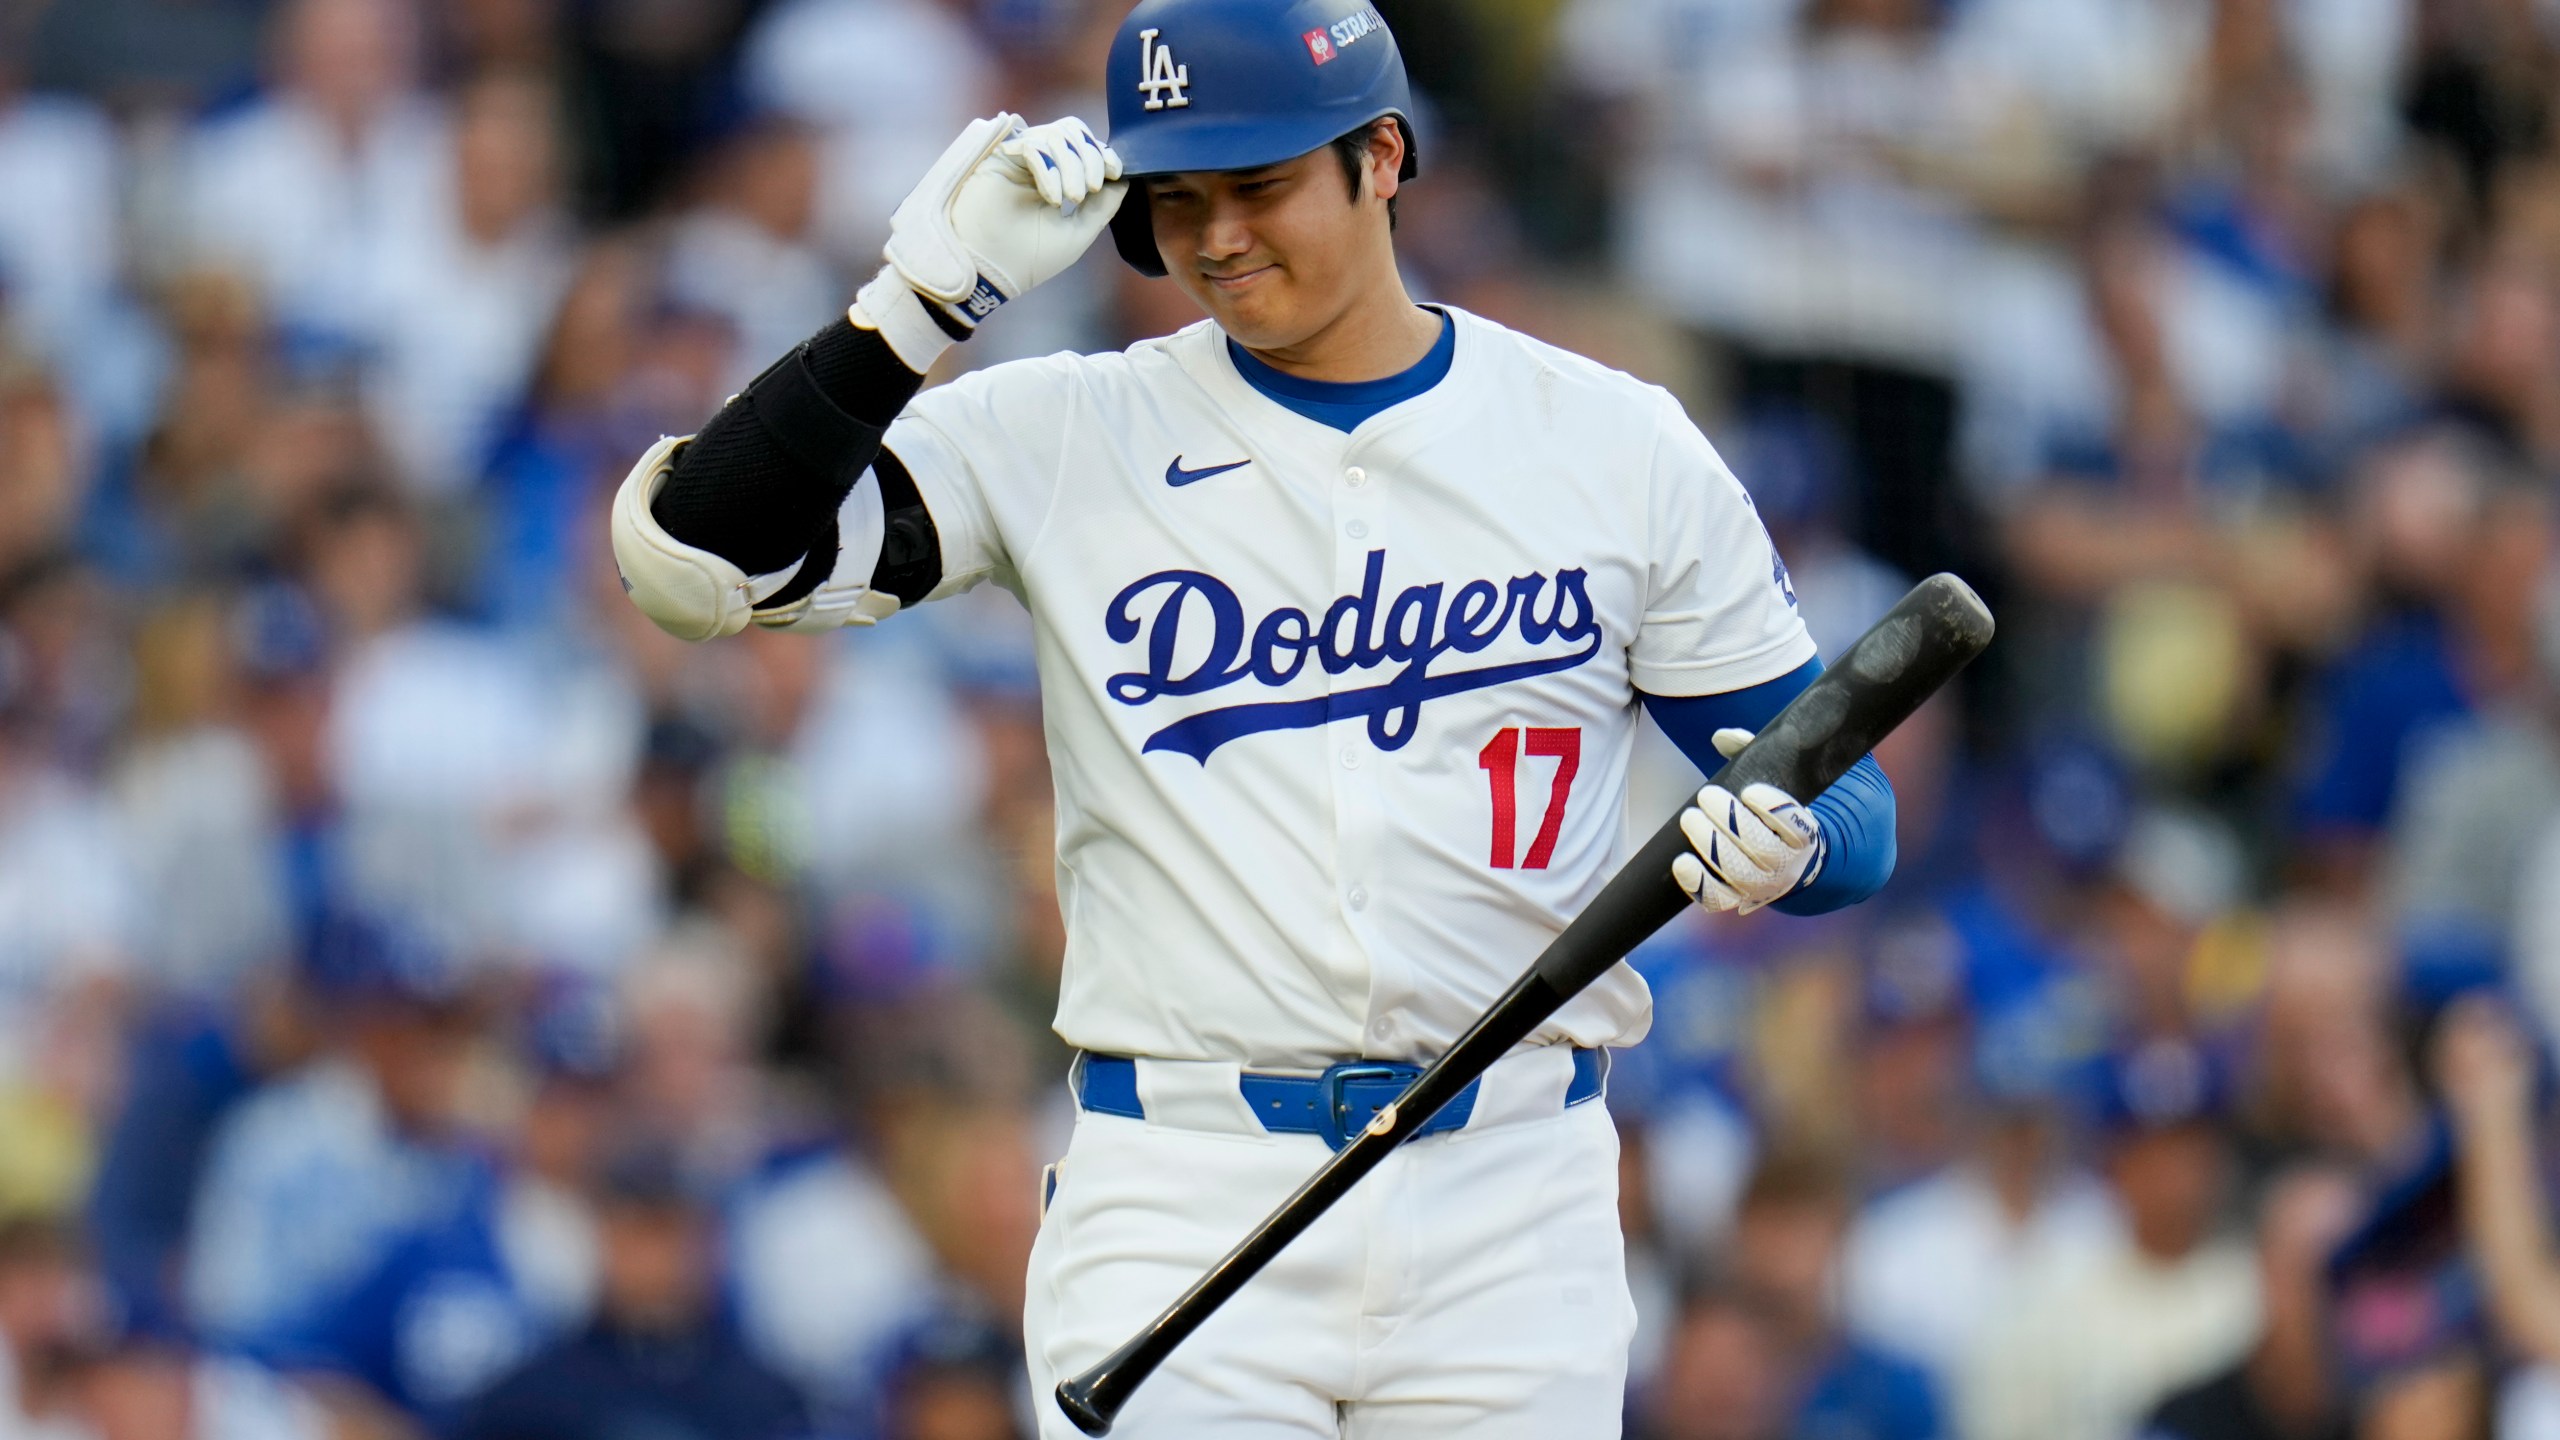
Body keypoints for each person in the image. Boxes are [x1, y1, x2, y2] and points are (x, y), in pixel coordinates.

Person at [607, 0, 1899, 1431]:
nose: (1216, 237)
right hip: (1185, 1182)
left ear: (1383, 156)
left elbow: (1854, 807)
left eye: (1260, 183)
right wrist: (912, 310)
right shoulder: (1061, 428)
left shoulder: (1611, 442)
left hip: (1513, 1200)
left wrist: (1793, 841)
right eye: (1177, 200)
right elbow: (696, 558)